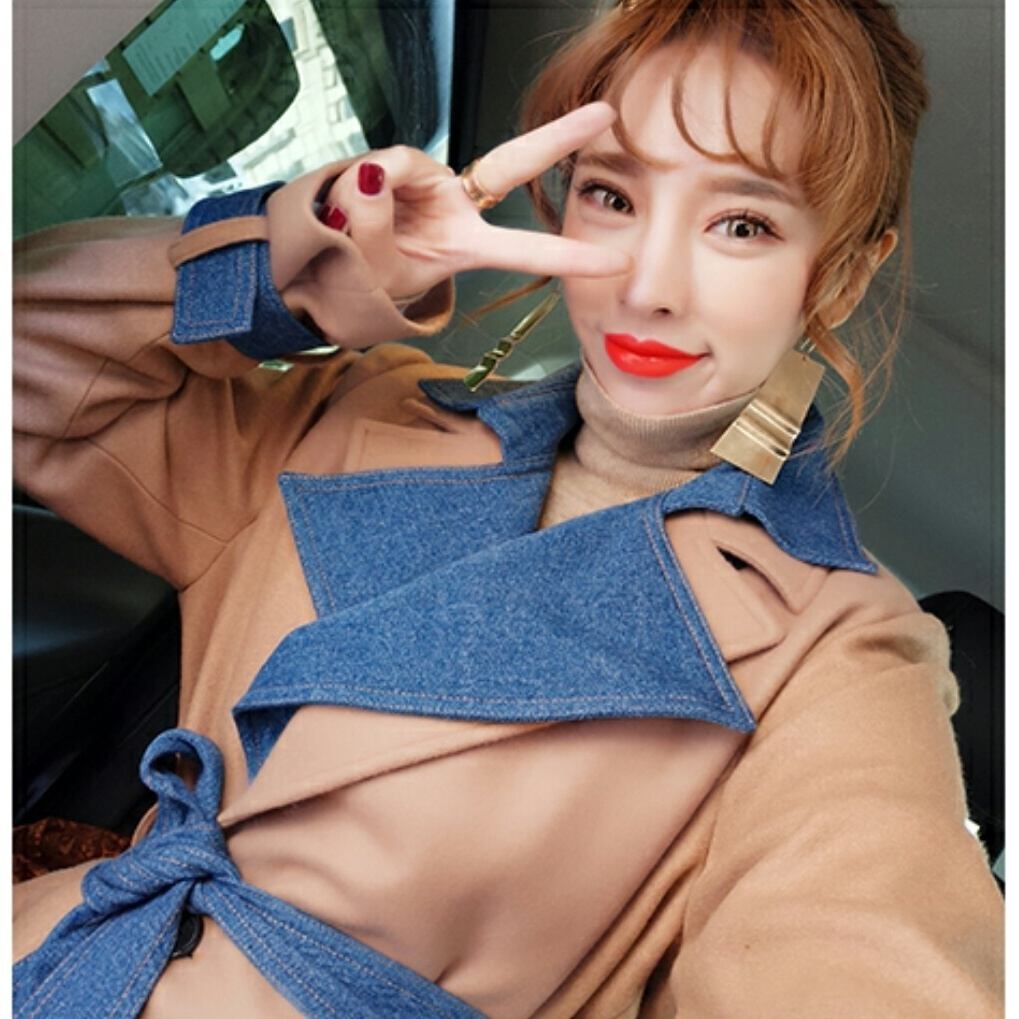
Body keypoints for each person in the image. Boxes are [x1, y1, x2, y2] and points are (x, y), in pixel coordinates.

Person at [12, 0, 1003, 1016]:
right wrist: (298, 269)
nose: (648, 284)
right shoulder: (363, 412)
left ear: (838, 276)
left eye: (740, 223)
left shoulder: (839, 655)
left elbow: (857, 961)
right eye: (612, 196)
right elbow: (25, 364)